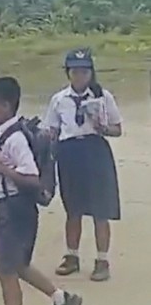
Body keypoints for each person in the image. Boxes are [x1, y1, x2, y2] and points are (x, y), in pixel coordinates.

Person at [0, 77, 83, 305]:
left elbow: (32, 178)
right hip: (14, 209)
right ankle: (62, 299)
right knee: (18, 264)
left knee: (7, 270)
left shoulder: (14, 139)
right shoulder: (6, 131)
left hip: (14, 209)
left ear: (5, 105)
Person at [44, 49, 122, 282]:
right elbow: (53, 130)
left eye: (84, 71)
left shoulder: (103, 97)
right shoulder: (59, 99)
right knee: (73, 208)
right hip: (70, 153)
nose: (80, 76)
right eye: (75, 71)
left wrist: (103, 127)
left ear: (91, 72)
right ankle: (72, 256)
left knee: (101, 208)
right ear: (68, 73)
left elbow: (118, 129)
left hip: (95, 150)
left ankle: (102, 260)